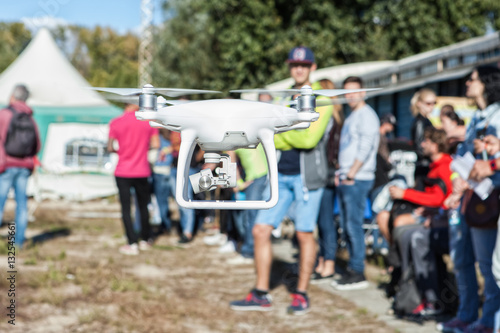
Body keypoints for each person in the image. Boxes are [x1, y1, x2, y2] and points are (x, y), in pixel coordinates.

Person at [230, 46, 333, 315]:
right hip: (280, 175)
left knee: (304, 233)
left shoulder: (322, 97)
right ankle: (261, 292)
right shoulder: (286, 96)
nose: (298, 69)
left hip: (308, 177)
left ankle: (300, 293)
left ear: (313, 66)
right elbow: (268, 131)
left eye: (304, 65)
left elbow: (308, 139)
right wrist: (284, 133)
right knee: (260, 230)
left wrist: (279, 135)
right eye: (294, 65)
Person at [438, 65, 500, 333]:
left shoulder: (497, 116)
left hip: (490, 199)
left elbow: (491, 162)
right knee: (462, 259)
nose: (467, 84)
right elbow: (465, 157)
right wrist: (458, 183)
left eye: (472, 79)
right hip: (470, 196)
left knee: (491, 267)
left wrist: (490, 156)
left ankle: (488, 321)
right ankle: (468, 315)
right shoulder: (476, 117)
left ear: (486, 83)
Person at [388, 127, 453, 315]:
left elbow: (440, 199)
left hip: (445, 223)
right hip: (434, 217)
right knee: (403, 232)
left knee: (413, 236)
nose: (422, 144)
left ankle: (431, 299)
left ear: (435, 144)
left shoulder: (446, 166)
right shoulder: (433, 166)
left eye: (426, 141)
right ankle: (407, 288)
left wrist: (405, 194)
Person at [332, 76, 380, 290]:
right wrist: (341, 172)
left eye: (354, 91)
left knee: (353, 225)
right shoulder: (352, 116)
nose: (350, 96)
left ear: (363, 92)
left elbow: (367, 146)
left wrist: (351, 172)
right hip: (346, 176)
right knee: (346, 224)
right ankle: (352, 267)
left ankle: (357, 271)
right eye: (347, 92)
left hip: (358, 178)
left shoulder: (367, 115)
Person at [108, 103, 159, 255]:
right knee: (143, 206)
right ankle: (145, 238)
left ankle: (131, 242)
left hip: (123, 171)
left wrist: (122, 150)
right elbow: (155, 144)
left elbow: (110, 147)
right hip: (142, 170)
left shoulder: (116, 122)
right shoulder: (147, 122)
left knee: (126, 207)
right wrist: (142, 148)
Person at [0, 84, 41, 249]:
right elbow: (37, 145)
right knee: (22, 204)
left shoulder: (5, 114)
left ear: (12, 96)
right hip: (24, 166)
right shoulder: (30, 118)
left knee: (0, 201)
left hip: (6, 165)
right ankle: (18, 242)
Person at [312, 78, 344, 283]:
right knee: (321, 221)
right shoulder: (335, 119)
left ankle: (329, 262)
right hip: (322, 174)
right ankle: (323, 259)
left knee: (325, 221)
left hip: (327, 175)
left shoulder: (331, 122)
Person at [410, 88, 437, 188]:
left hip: (427, 165)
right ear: (419, 103)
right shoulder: (420, 122)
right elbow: (419, 146)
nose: (432, 106)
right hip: (424, 167)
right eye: (428, 103)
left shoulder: (426, 121)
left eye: (434, 103)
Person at [152, 128, 173, 234]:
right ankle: (167, 224)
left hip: (159, 171)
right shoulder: (172, 137)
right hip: (169, 170)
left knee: (161, 201)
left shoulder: (158, 137)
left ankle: (165, 225)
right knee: (167, 201)